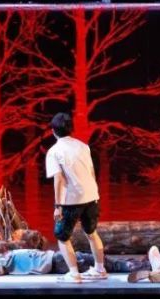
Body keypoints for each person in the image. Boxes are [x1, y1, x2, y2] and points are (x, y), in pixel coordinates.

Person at [45, 112, 107, 283]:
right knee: (91, 232)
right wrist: (94, 192)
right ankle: (100, 269)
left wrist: (57, 206)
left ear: (53, 131)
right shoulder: (83, 146)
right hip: (91, 195)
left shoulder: (54, 152)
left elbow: (58, 179)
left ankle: (74, 273)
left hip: (71, 200)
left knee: (62, 237)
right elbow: (91, 172)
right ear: (71, 128)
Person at [0, 248, 98, 281]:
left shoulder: (3, 255)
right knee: (98, 262)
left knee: (98, 260)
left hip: (55, 257)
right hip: (57, 262)